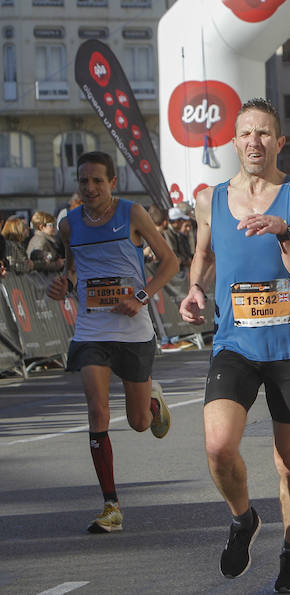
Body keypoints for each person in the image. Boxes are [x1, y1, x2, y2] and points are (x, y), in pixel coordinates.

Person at [178, 97, 290, 592]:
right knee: (218, 449)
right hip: (234, 344)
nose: (255, 142)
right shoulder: (209, 199)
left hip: (287, 346)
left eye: (264, 133)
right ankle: (243, 519)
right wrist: (195, 290)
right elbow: (202, 255)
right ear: (233, 142)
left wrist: (283, 234)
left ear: (279, 142)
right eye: (246, 134)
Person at [45, 150, 178, 533]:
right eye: (83, 181)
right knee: (97, 411)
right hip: (91, 328)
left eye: (97, 181)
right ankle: (111, 505)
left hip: (133, 330)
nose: (90, 188)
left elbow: (169, 262)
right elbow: (72, 268)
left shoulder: (132, 214)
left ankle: (152, 401)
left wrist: (140, 297)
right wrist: (64, 285)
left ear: (112, 183)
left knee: (138, 423)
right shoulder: (68, 224)